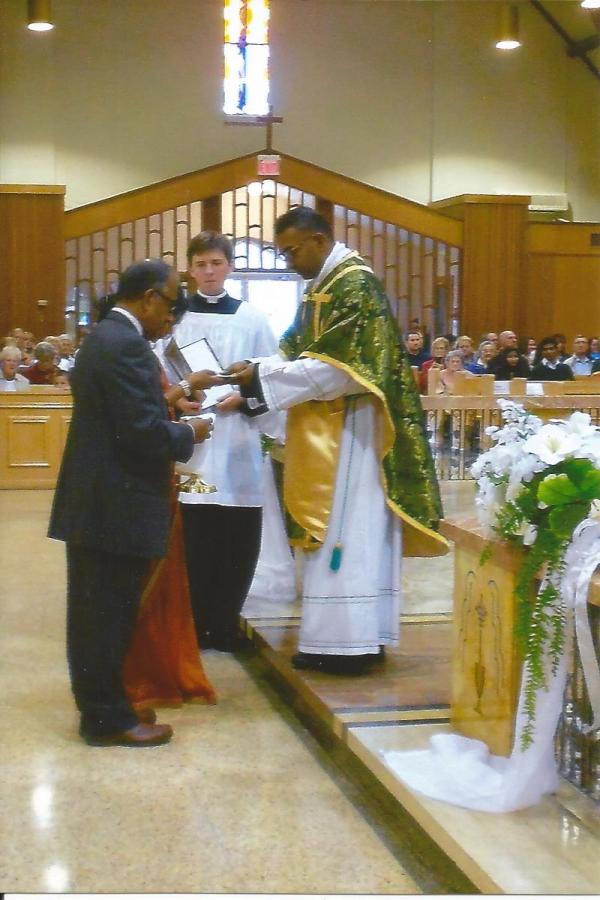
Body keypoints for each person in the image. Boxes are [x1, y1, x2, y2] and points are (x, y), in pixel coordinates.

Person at [229, 206, 448, 674]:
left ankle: (346, 645)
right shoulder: (323, 288)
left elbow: (342, 372)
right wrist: (255, 370)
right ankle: (351, 638)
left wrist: (261, 378)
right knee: (339, 533)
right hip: (331, 425)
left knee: (346, 532)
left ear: (318, 240)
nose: (289, 261)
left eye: (292, 251)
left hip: (353, 431)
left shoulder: (355, 285)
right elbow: (294, 350)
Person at [48, 259, 219, 747]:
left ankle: (107, 708)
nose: (171, 317)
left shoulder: (107, 337)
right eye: (170, 305)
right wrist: (190, 431)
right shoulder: (126, 344)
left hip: (100, 499)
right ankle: (107, 720)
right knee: (104, 615)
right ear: (148, 298)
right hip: (113, 502)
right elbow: (139, 434)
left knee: (98, 612)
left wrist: (169, 408)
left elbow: (123, 416)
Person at [156, 231, 280, 653]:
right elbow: (160, 371)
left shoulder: (253, 318)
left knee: (237, 533)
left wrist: (244, 399)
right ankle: (193, 624)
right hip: (193, 445)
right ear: (189, 270)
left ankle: (225, 623)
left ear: (229, 266)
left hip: (238, 440)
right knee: (195, 532)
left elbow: (272, 372)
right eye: (201, 265)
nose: (209, 272)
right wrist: (178, 398)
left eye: (216, 263)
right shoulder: (175, 319)